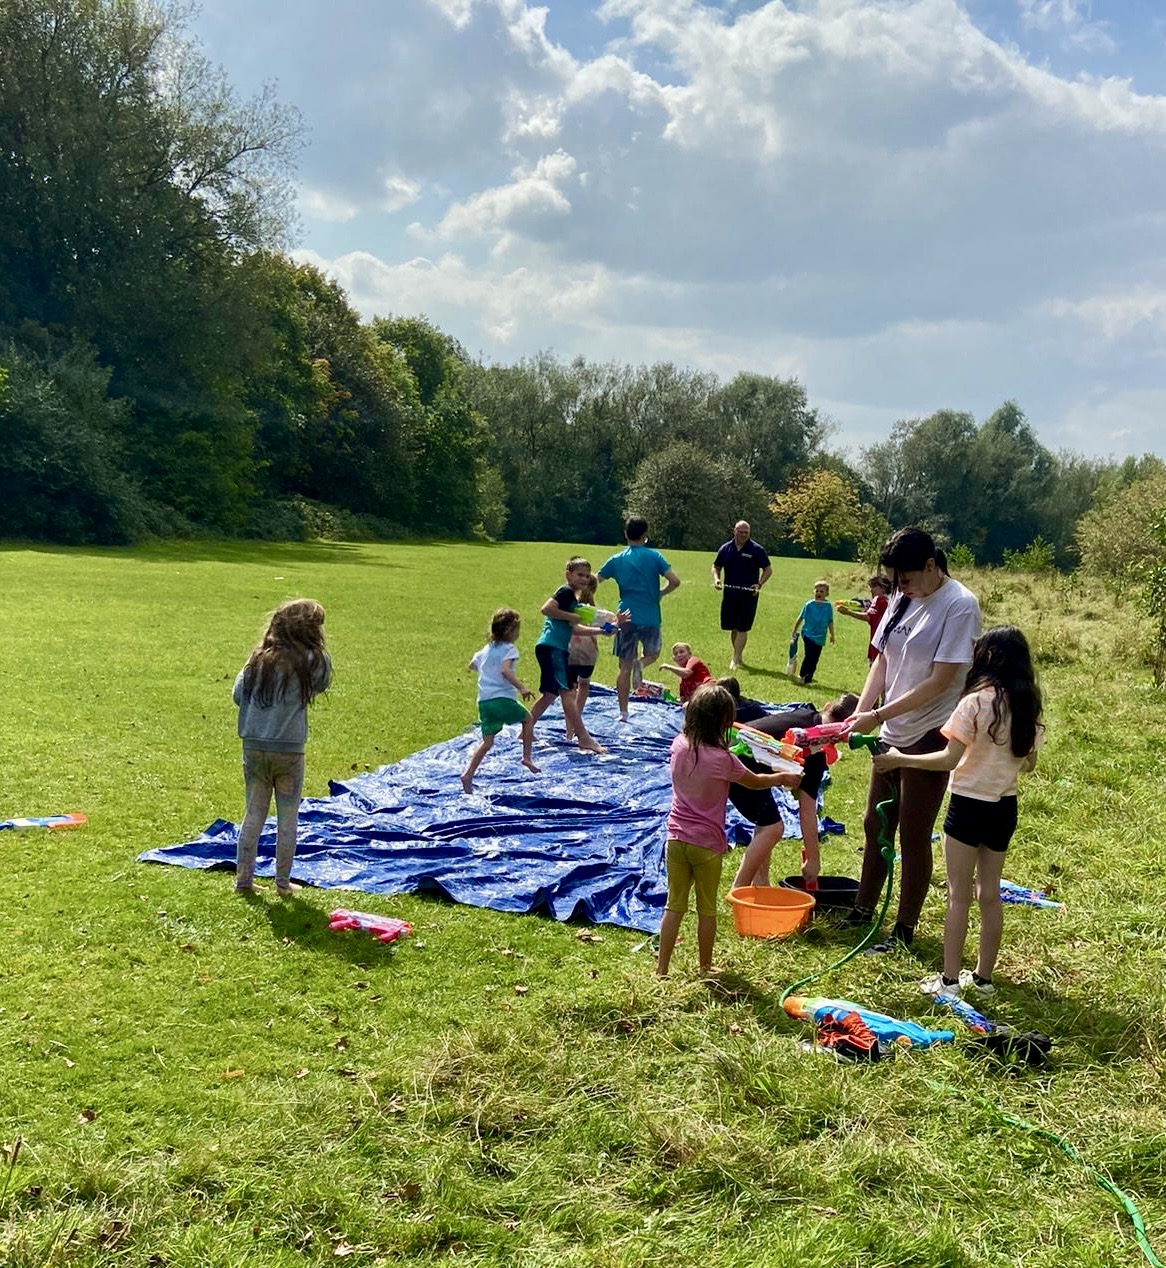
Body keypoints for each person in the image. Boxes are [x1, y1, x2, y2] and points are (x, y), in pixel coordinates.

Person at [872, 626, 1044, 996]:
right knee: (990, 894)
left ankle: (948, 981)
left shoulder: (976, 702)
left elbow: (949, 759)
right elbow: (1028, 762)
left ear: (988, 659)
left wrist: (901, 758)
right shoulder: (1027, 704)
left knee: (958, 896)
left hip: (967, 806)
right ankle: (983, 979)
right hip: (1004, 807)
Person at [847, 528, 982, 953]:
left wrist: (878, 714)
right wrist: (861, 712)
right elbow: (883, 659)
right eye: (893, 579)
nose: (898, 586)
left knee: (913, 831)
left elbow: (943, 680)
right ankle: (863, 909)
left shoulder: (959, 605)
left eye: (904, 577)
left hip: (930, 730)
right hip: (891, 729)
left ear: (930, 566)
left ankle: (904, 929)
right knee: (876, 823)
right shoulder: (901, 600)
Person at [657, 683, 801, 978]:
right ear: (724, 722)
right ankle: (705, 967)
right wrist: (783, 777)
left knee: (674, 906)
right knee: (706, 909)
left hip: (675, 838)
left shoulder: (679, 745)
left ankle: (661, 969)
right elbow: (756, 781)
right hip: (706, 846)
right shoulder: (724, 760)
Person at [232, 599, 332, 897]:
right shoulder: (315, 659)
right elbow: (322, 683)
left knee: (253, 813)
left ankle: (244, 881)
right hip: (289, 751)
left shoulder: (258, 658)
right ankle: (282, 883)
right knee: (288, 818)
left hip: (253, 748)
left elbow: (238, 694)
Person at [717, 680, 858, 890]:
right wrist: (813, 860)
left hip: (728, 753)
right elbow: (807, 811)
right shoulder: (815, 752)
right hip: (739, 768)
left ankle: (760, 884)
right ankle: (739, 890)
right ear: (845, 737)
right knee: (773, 828)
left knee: (766, 821)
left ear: (827, 706)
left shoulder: (802, 715)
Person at [529, 556, 617, 754]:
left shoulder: (572, 598)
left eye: (587, 576)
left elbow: (574, 629)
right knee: (567, 692)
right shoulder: (566, 592)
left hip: (552, 647)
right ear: (568, 574)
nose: (584, 579)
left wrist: (601, 631)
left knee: (551, 694)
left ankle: (526, 729)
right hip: (552, 647)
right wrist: (571, 616)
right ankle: (584, 738)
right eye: (580, 575)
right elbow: (546, 609)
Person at [599, 517, 681, 722]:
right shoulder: (655, 557)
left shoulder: (617, 559)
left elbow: (595, 580)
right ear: (645, 535)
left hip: (625, 615)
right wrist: (660, 593)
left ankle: (623, 712)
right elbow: (675, 581)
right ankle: (642, 663)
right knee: (653, 653)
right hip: (650, 615)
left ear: (626, 534)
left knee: (623, 667)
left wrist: (597, 609)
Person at [461, 608, 539, 793]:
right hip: (501, 698)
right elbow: (505, 670)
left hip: (484, 702)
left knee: (487, 743)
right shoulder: (509, 649)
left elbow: (472, 665)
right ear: (510, 631)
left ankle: (468, 774)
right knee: (527, 719)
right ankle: (527, 757)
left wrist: (486, 669)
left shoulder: (484, 650)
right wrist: (522, 688)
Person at [712, 520, 772, 669]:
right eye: (741, 532)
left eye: (747, 532)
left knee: (742, 627)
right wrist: (717, 579)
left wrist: (759, 584)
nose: (744, 534)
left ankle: (736, 658)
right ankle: (738, 655)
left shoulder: (756, 549)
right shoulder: (725, 549)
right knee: (732, 627)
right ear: (735, 531)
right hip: (730, 594)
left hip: (749, 595)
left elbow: (768, 569)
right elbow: (716, 566)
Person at [835, 575, 892, 662]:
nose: (871, 590)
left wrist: (848, 612)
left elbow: (869, 617)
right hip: (885, 648)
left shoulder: (879, 599)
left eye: (874, 586)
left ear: (883, 588)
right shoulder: (888, 602)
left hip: (876, 647)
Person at [790, 580, 835, 685]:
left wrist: (832, 635)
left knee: (815, 658)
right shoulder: (809, 605)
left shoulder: (828, 607)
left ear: (826, 594)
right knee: (809, 655)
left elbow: (830, 621)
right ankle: (802, 676)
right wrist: (794, 630)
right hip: (808, 634)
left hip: (820, 636)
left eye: (822, 591)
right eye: (817, 591)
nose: (819, 593)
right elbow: (800, 618)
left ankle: (808, 678)